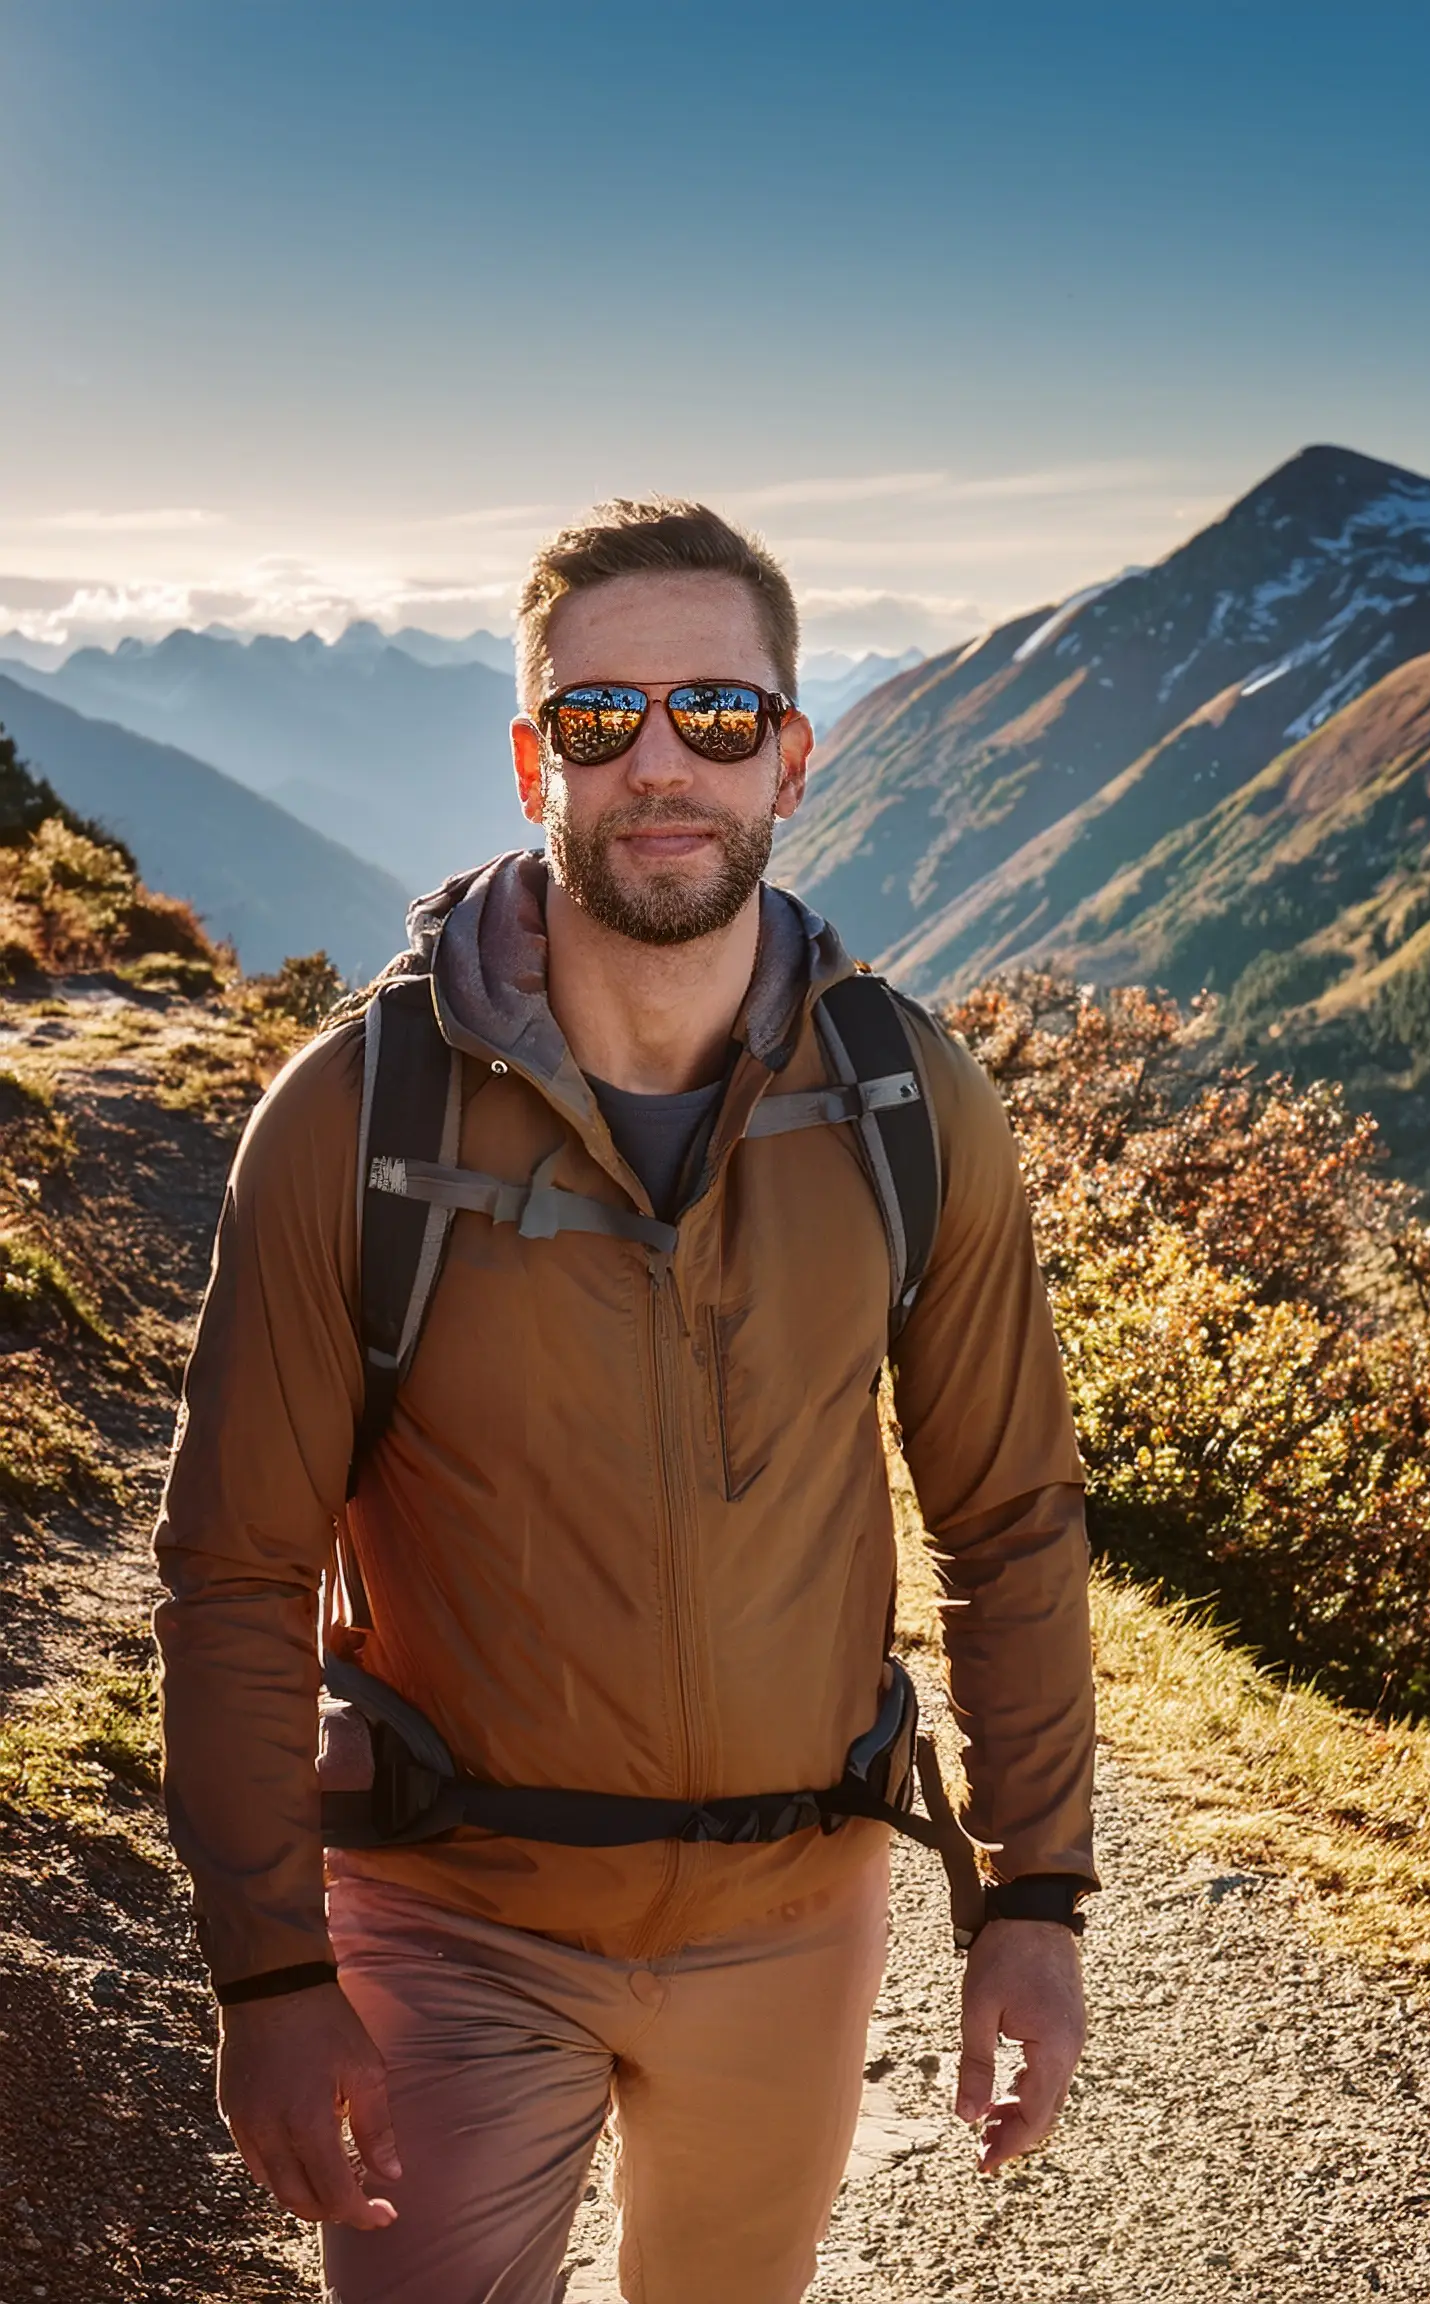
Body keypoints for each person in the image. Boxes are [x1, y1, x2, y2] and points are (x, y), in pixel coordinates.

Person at [153, 499, 1097, 2304]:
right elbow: (236, 1574)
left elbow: (1013, 1519)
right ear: (533, 759)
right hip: (450, 1922)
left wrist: (1033, 1897)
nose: (660, 764)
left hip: (793, 1923)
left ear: (793, 759)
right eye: (600, 720)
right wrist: (268, 1974)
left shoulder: (910, 1106)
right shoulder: (354, 1124)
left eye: (718, 717)